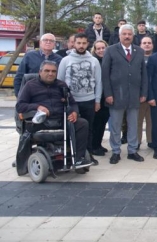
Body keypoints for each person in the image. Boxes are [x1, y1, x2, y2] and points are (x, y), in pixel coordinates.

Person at [16, 60, 93, 169]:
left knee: (82, 123)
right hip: (41, 122)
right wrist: (37, 107)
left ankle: (79, 159)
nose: (50, 73)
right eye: (47, 71)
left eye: (53, 71)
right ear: (40, 72)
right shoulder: (30, 85)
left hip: (61, 120)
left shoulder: (62, 85)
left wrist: (74, 112)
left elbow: (72, 103)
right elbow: (20, 106)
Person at [101, 24, 148, 164]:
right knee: (115, 125)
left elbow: (143, 74)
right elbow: (105, 74)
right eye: (124, 34)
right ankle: (115, 151)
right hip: (116, 95)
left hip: (134, 94)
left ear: (133, 35)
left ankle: (132, 151)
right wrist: (108, 93)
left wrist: (143, 92)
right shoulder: (110, 50)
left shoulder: (139, 51)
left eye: (129, 34)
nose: (127, 36)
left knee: (133, 124)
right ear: (120, 36)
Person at [57, 33, 102, 165]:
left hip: (89, 100)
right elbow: (59, 81)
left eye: (84, 43)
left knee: (89, 129)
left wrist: (97, 100)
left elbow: (99, 82)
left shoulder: (94, 61)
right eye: (78, 43)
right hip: (71, 101)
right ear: (73, 43)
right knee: (71, 128)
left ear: (88, 44)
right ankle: (71, 154)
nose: (81, 46)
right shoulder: (65, 60)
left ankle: (88, 154)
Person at [90, 41, 109, 156]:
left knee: (103, 122)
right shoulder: (93, 61)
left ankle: (98, 144)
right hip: (95, 96)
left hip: (107, 96)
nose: (101, 50)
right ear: (95, 50)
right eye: (98, 49)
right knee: (95, 122)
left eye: (103, 48)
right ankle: (93, 146)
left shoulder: (109, 60)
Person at [136, 36, 154, 149]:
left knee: (151, 121)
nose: (147, 45)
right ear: (140, 45)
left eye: (149, 43)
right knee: (138, 121)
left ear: (152, 45)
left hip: (153, 95)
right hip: (139, 95)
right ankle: (137, 141)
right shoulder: (136, 58)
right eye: (144, 43)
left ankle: (151, 140)